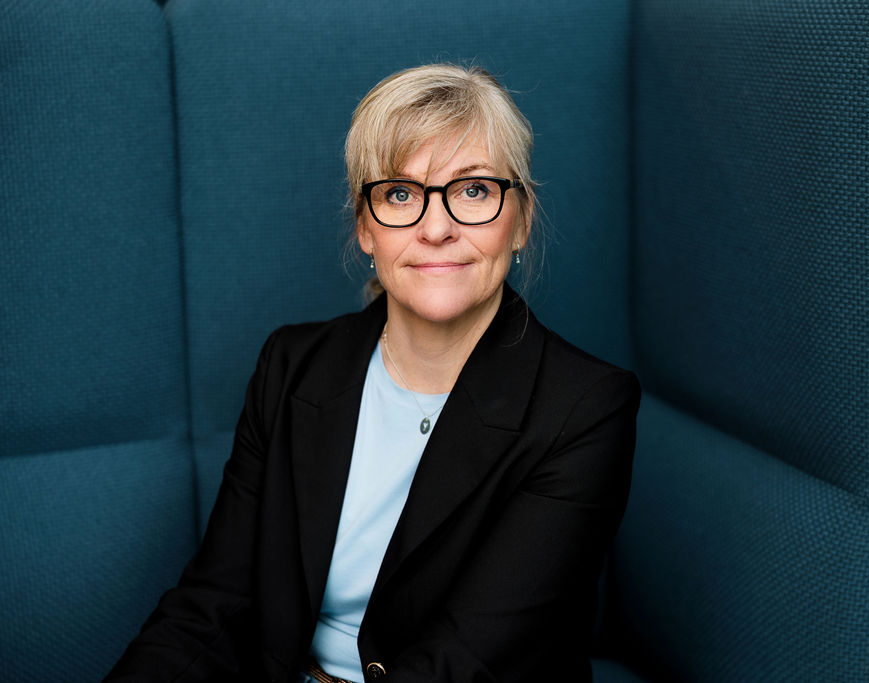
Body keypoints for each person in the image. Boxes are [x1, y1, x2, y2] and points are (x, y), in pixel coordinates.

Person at [107, 63, 640, 683]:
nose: (436, 228)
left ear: (520, 220)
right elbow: (211, 607)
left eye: (473, 190)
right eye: (400, 194)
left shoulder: (585, 407)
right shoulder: (291, 366)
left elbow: (466, 665)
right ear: (365, 227)